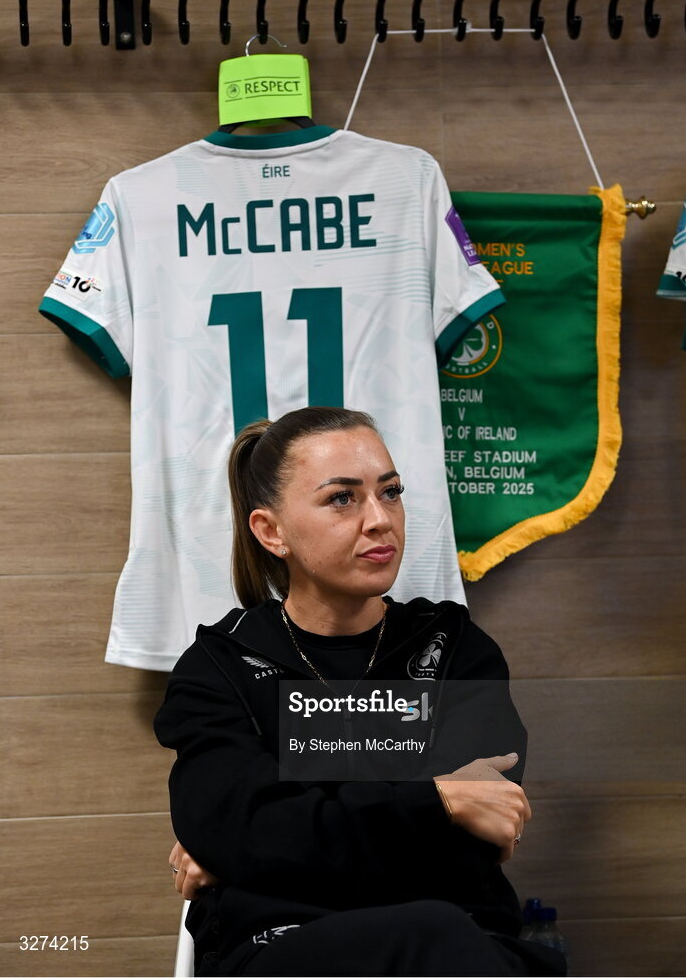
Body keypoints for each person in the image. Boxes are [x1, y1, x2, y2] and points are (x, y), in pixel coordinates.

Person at [153, 406, 567, 977]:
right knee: (432, 932)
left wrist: (260, 843)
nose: (380, 520)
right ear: (271, 531)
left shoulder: (453, 649)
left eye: (390, 492)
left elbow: (477, 840)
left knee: (450, 938)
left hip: (461, 940)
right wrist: (438, 799)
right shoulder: (219, 667)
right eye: (342, 498)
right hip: (286, 948)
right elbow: (241, 830)